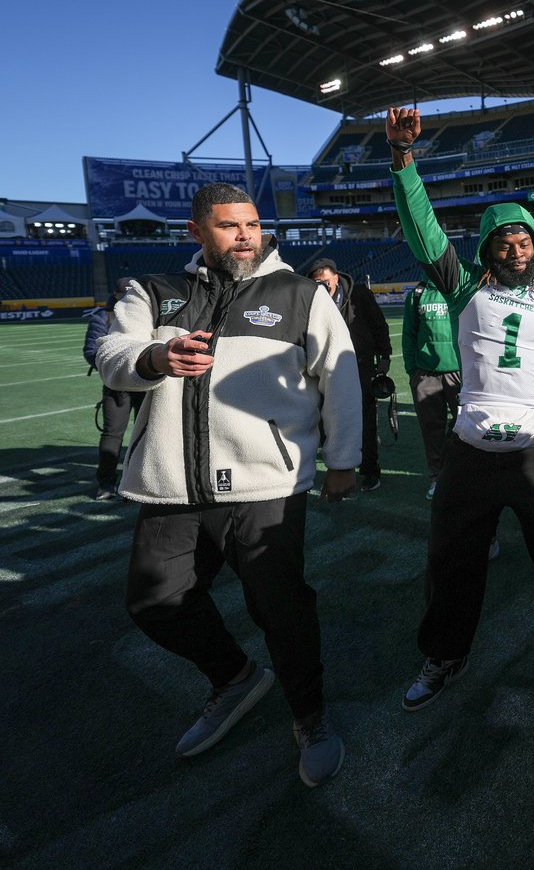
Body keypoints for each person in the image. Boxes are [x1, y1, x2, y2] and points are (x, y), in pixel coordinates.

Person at [94, 182, 359, 787]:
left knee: (282, 610)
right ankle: (236, 679)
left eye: (253, 224)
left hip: (265, 484)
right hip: (170, 486)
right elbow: (112, 351)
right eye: (229, 225)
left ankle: (310, 717)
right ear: (197, 232)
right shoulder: (153, 290)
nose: (245, 235)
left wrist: (344, 459)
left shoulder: (300, 294)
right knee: (154, 601)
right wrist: (156, 359)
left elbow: (339, 381)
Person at [384, 107, 534, 713]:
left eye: (524, 240)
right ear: (489, 247)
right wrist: (403, 160)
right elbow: (422, 229)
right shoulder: (464, 285)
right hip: (470, 452)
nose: (517, 249)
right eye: (506, 240)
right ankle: (445, 653)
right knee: (451, 563)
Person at [306, 258, 392, 492]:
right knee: (323, 422)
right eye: (316, 283)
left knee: (364, 423)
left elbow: (379, 326)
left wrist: (385, 357)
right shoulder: (311, 300)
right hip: (324, 370)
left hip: (360, 367)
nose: (322, 287)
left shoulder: (360, 295)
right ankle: (336, 469)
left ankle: (369, 472)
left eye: (325, 282)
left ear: (336, 277)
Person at [85, 276, 144, 500]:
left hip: (145, 383)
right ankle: (106, 483)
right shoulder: (103, 316)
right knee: (112, 434)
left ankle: (136, 483)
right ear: (117, 295)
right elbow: (91, 351)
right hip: (116, 385)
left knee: (145, 434)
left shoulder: (146, 313)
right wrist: (121, 366)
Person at [401, 276, 460, 499]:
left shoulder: (459, 289)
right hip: (426, 374)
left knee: (465, 428)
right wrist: (412, 371)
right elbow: (409, 335)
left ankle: (462, 475)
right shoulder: (417, 295)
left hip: (459, 373)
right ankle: (436, 478)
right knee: (431, 429)